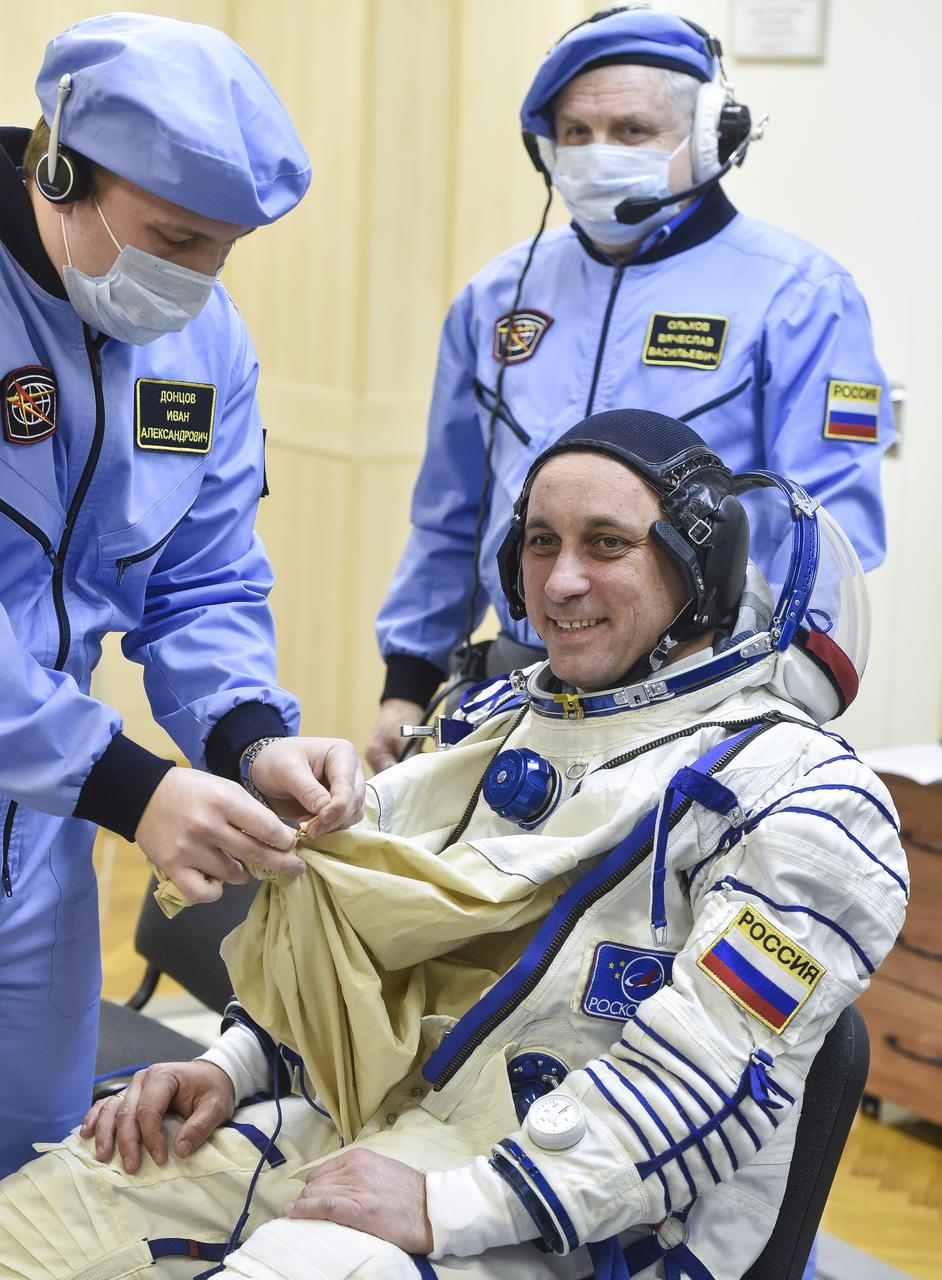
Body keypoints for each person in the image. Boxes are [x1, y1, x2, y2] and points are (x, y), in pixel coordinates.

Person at [0, 408, 907, 1280]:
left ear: (700, 569)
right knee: (46, 1215)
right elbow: (378, 965)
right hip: (370, 1126)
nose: (560, 583)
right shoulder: (494, 726)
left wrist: (454, 1205)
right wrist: (229, 1068)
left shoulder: (803, 799)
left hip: (579, 1220)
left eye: (607, 543)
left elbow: (700, 1084)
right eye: (542, 543)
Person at [0, 13, 365, 1178]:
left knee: (33, 1166)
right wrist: (128, 782)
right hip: (78, 776)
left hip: (42, 833)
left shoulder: (205, 344)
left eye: (222, 249)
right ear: (60, 171)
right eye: (173, 238)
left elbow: (202, 579)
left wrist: (251, 740)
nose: (197, 279)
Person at [367, 7, 894, 772]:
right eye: (575, 133)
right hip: (527, 681)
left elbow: (825, 523)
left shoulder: (804, 297)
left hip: (706, 696)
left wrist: (772, 702)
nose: (595, 153)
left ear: (709, 137)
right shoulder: (496, 298)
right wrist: (406, 687)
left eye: (631, 129)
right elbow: (450, 516)